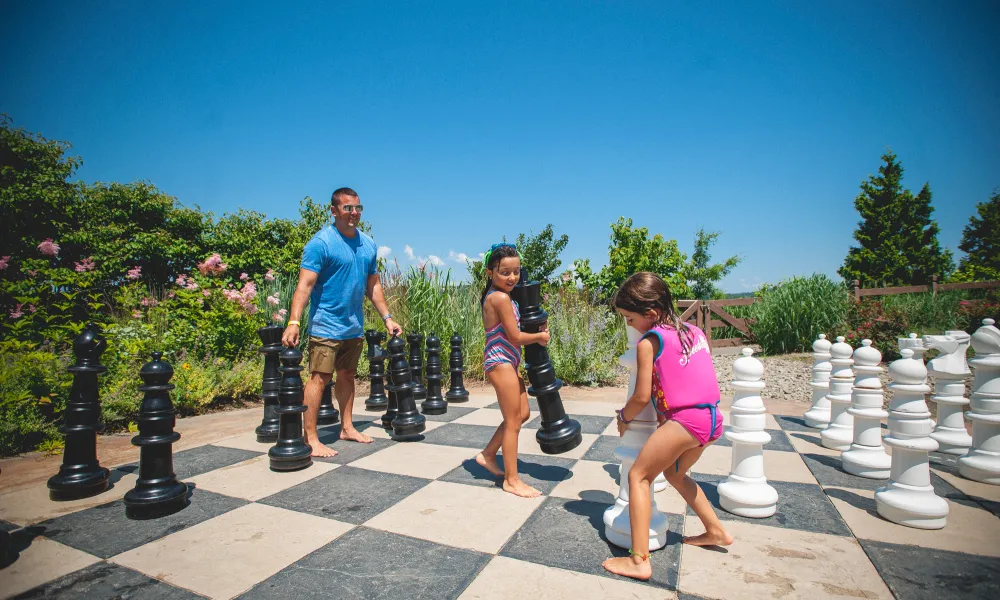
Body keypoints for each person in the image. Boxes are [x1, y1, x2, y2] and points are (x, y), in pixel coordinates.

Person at [602, 271, 733, 581]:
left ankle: (638, 560)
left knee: (638, 476)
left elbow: (641, 396)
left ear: (650, 314)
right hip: (712, 418)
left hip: (685, 419)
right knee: (675, 474)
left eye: (630, 319)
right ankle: (716, 531)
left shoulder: (649, 342)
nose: (629, 325)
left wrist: (624, 417)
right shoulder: (694, 331)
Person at [282, 187, 402, 457]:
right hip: (326, 325)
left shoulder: (368, 244)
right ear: (334, 211)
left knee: (347, 375)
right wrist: (293, 321)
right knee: (319, 378)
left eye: (358, 208)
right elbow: (305, 285)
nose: (354, 213)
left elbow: (374, 285)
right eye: (347, 208)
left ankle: (347, 427)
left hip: (353, 326)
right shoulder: (321, 243)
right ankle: (310, 437)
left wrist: (388, 318)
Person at [473, 243, 550, 498]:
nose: (512, 277)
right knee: (513, 422)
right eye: (505, 272)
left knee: (522, 414)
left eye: (516, 271)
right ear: (489, 272)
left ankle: (487, 455)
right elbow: (516, 337)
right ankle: (512, 480)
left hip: (508, 362)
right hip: (500, 361)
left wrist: (537, 324)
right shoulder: (500, 298)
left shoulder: (506, 297)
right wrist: (539, 336)